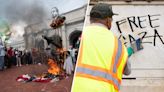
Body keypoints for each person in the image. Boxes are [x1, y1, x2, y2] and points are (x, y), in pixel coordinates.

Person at [72, 3, 131, 92]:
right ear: (108, 20)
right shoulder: (119, 45)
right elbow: (127, 71)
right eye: (111, 19)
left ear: (91, 19)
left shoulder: (81, 36)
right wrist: (127, 53)